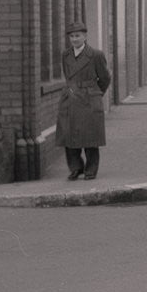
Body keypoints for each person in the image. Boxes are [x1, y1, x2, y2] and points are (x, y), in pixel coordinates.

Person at [55, 20, 111, 180]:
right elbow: (68, 75)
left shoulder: (96, 55)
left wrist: (95, 93)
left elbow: (105, 78)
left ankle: (91, 170)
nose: (74, 39)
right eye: (71, 36)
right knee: (69, 134)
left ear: (85, 36)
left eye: (78, 36)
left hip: (89, 98)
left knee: (90, 136)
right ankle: (75, 168)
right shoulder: (66, 55)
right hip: (71, 97)